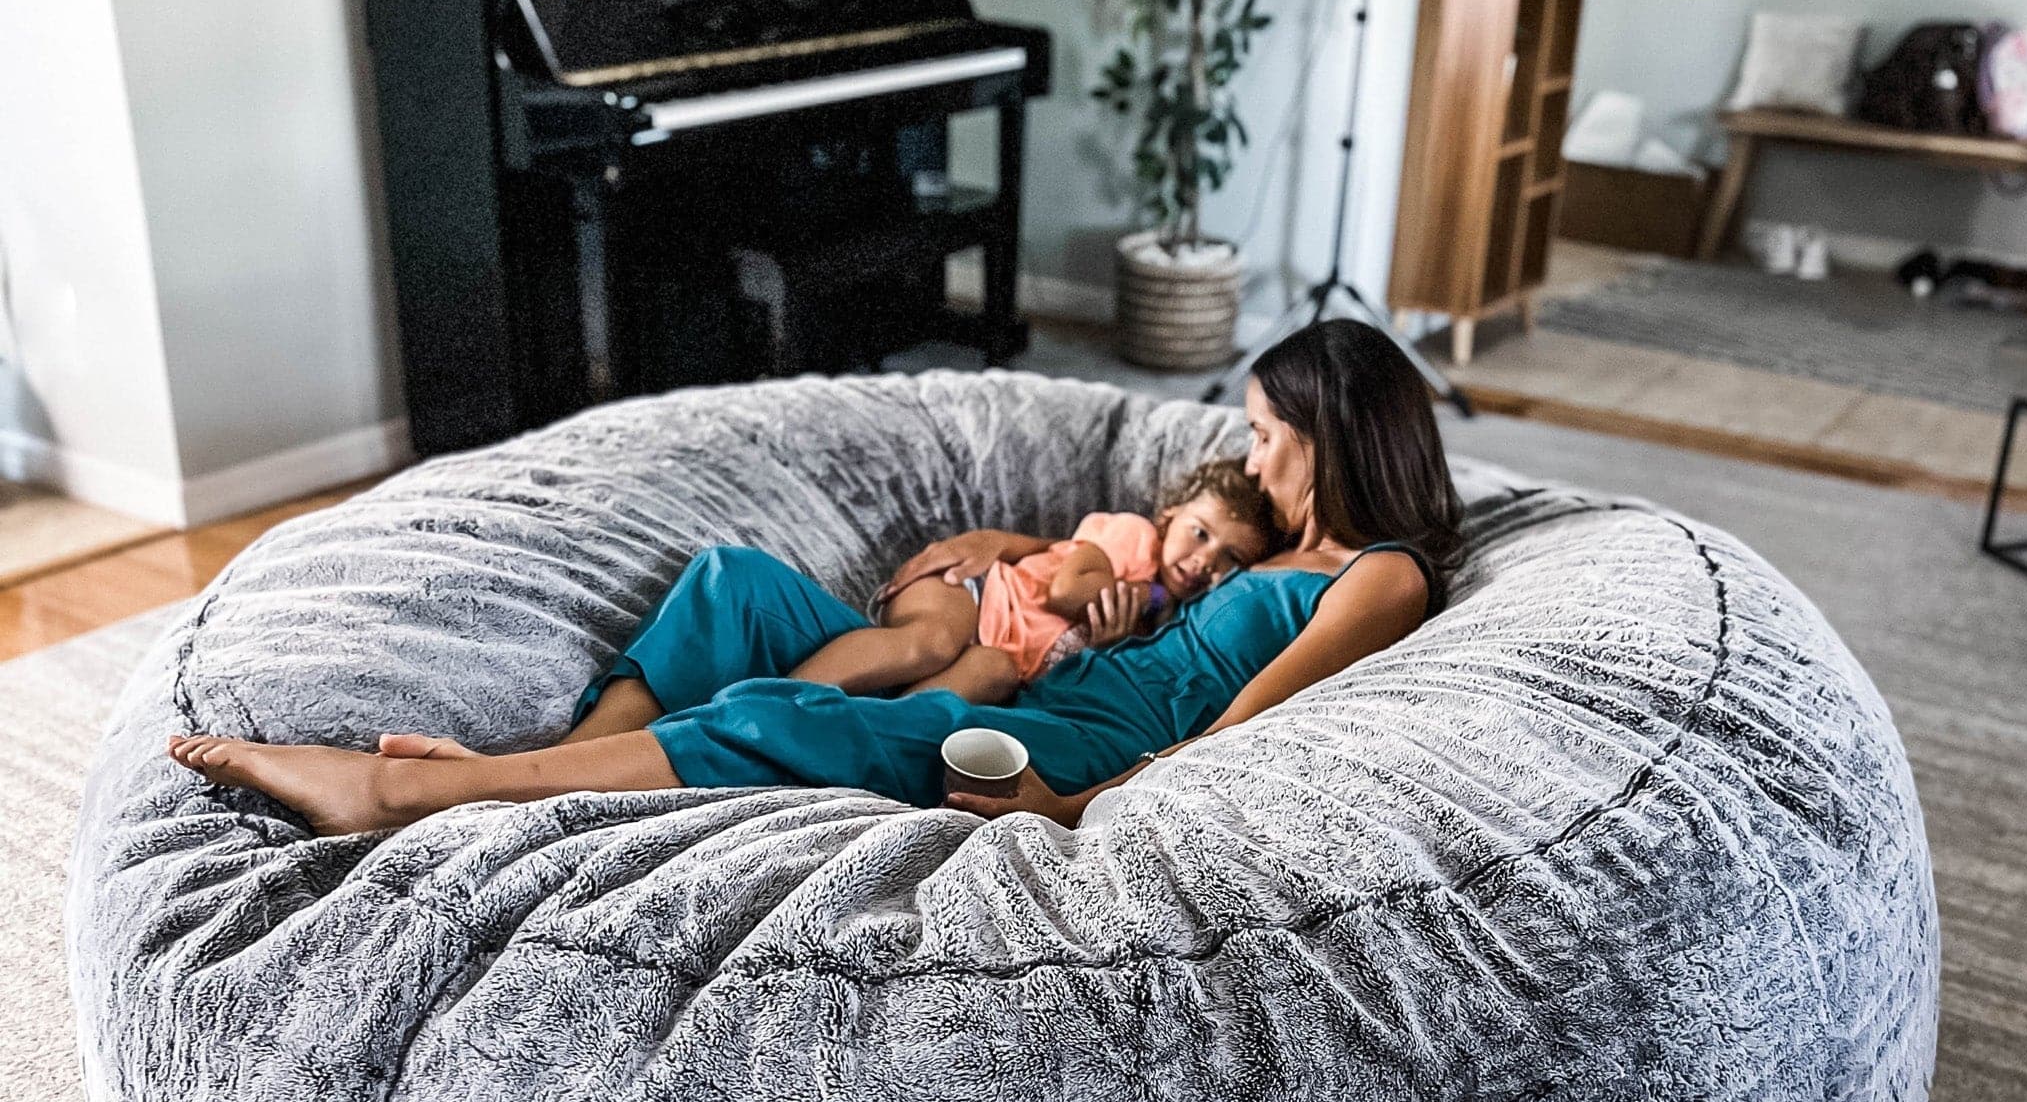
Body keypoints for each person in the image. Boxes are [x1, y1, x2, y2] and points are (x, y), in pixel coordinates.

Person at [166, 320, 1463, 835]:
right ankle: (561, 764)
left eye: (1273, 437)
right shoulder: (1241, 534)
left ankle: (419, 794)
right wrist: (1014, 557)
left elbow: (1250, 717)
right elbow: (1106, 562)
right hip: (1046, 660)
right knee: (735, 582)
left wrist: (1089, 800)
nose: (1251, 455)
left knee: (801, 715)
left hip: (1074, 723)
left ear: (1341, 437)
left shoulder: (1378, 572)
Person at [788, 459, 1279, 706]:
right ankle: (783, 698)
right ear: (1171, 516)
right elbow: (1064, 592)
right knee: (931, 642)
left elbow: (1096, 678)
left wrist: (1119, 641)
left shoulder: (1182, 625)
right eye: (1199, 533)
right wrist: (1143, 601)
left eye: (1229, 558)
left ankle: (865, 725)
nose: (1204, 561)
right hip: (974, 593)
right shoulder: (1135, 539)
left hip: (1002, 652)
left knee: (993, 672)